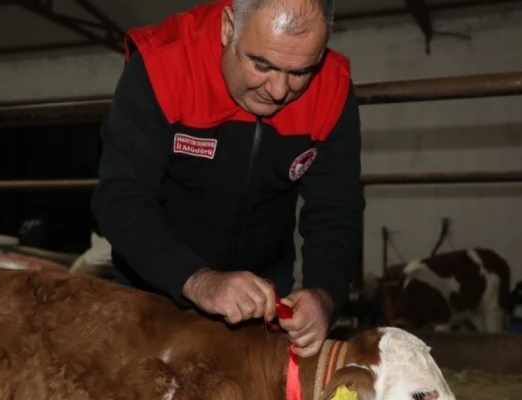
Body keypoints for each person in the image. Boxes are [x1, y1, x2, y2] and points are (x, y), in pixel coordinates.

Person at [92, 0, 364, 359]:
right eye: (262, 64)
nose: (279, 90)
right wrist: (197, 280)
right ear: (227, 27)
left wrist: (325, 296)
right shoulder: (163, 65)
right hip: (153, 284)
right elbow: (120, 197)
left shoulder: (332, 88)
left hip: (263, 292)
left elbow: (336, 210)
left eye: (301, 71)